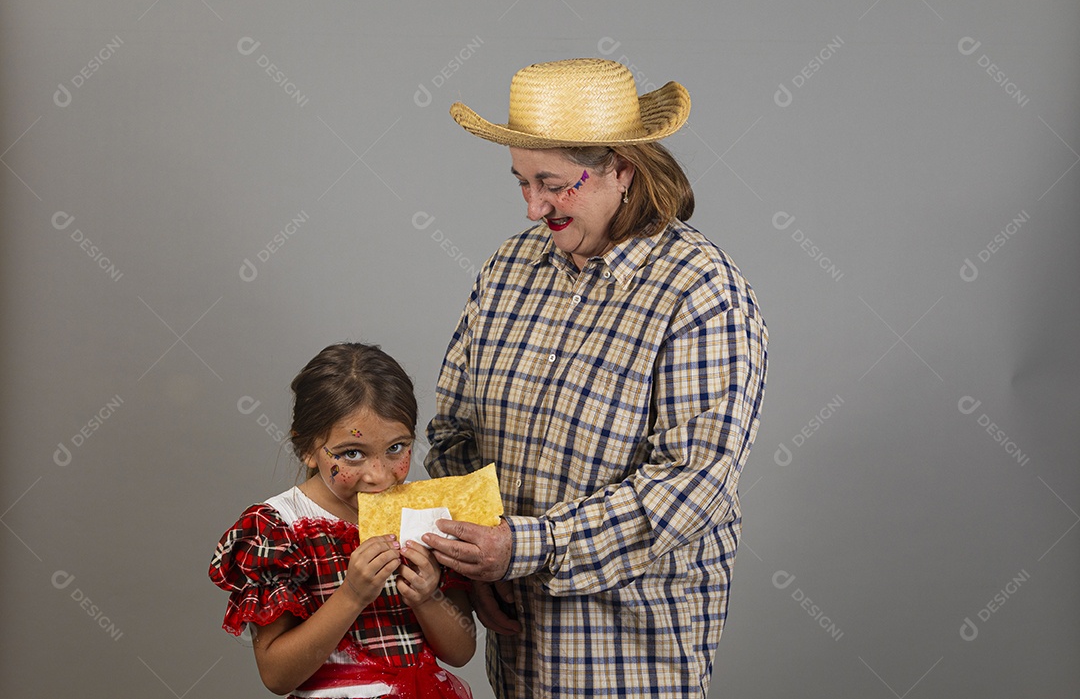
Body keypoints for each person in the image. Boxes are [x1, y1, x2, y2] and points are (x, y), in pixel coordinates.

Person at [422, 58, 769, 698]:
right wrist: (478, 561)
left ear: (621, 169)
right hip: (518, 647)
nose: (533, 208)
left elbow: (690, 483)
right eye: (521, 182)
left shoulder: (700, 292)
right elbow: (454, 432)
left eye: (552, 183)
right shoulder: (507, 270)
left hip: (630, 659)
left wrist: (523, 547)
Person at [209, 343, 475, 699]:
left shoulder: (425, 515)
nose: (379, 476)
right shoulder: (279, 528)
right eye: (353, 454)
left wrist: (427, 598)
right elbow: (276, 676)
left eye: (396, 448)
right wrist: (351, 595)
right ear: (306, 448)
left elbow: (461, 652)